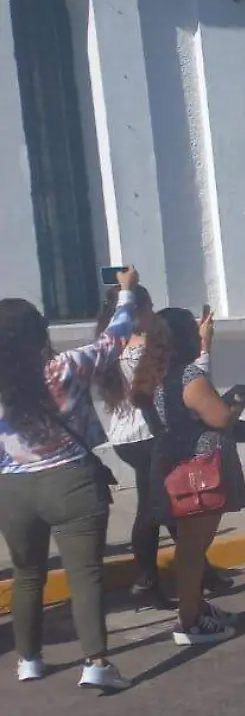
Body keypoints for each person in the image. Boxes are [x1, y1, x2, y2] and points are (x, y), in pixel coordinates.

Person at [0, 266, 140, 690]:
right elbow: (115, 338)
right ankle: (95, 663)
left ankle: (29, 659)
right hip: (69, 480)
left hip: (12, 490)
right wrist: (126, 294)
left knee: (26, 575)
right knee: (85, 575)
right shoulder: (65, 368)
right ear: (38, 335)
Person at [91, 286, 227, 610]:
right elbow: (188, 384)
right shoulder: (146, 349)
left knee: (161, 505)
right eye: (149, 307)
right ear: (136, 312)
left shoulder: (109, 347)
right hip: (149, 434)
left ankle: (195, 572)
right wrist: (204, 344)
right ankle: (150, 579)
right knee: (158, 509)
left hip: (126, 436)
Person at [134, 308, 245, 646]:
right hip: (201, 470)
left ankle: (197, 607)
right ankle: (189, 621)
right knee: (192, 550)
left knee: (189, 546)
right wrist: (238, 401)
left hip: (174, 465)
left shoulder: (151, 373)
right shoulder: (187, 376)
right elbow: (219, 418)